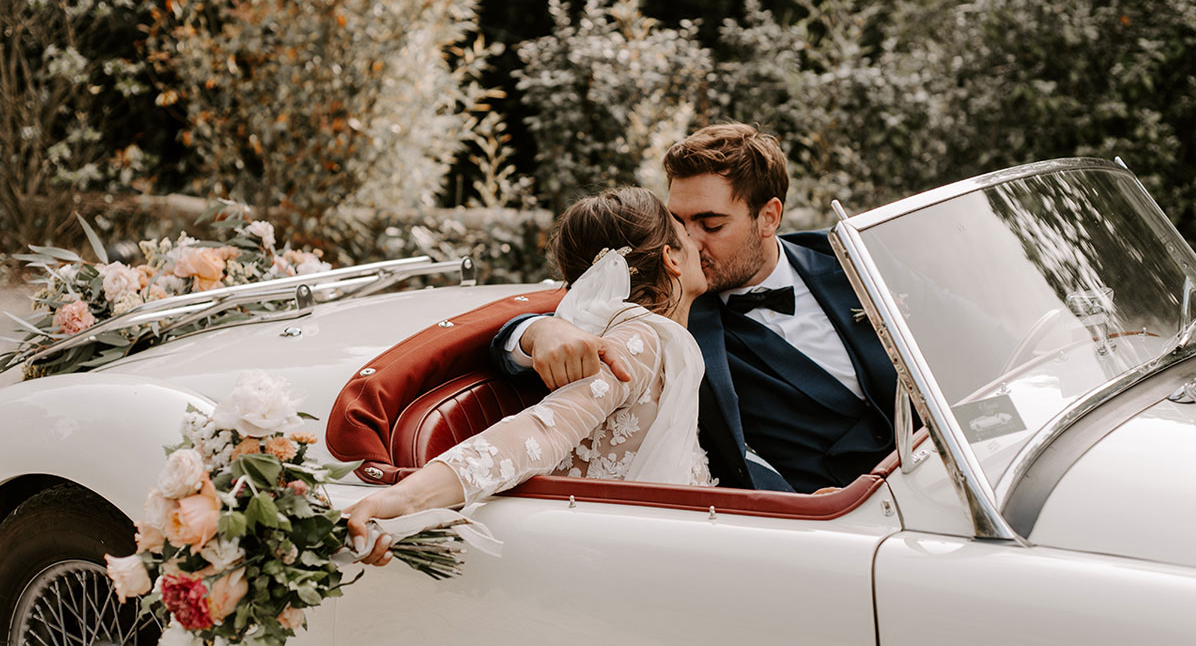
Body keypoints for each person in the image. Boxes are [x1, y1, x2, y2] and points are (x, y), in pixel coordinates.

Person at [493, 123, 897, 494]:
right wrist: (537, 333)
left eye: (711, 224)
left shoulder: (855, 260)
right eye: (680, 222)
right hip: (825, 518)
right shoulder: (673, 309)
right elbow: (581, 304)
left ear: (769, 217)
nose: (690, 241)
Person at [346, 186, 712, 565]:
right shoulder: (638, 340)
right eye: (686, 235)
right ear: (671, 258)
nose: (700, 244)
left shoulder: (633, 334)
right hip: (600, 555)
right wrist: (407, 497)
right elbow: (544, 430)